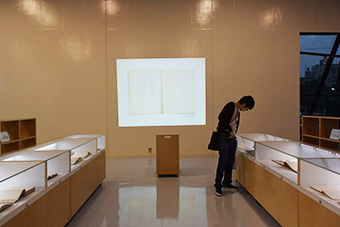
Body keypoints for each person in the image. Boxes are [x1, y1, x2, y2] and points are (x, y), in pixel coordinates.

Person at [214, 95, 255, 196]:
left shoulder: (236, 110)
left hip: (232, 138)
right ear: (244, 104)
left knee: (230, 161)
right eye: (247, 108)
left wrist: (233, 134)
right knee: (223, 161)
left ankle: (227, 182)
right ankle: (217, 185)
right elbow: (221, 118)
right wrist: (228, 131)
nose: (246, 110)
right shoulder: (231, 105)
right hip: (224, 137)